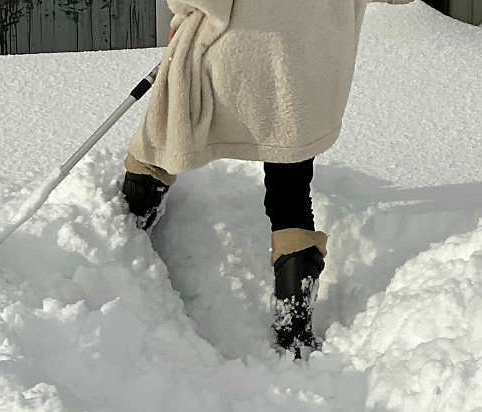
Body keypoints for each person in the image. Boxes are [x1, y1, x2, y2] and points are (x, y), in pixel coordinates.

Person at [121, 0, 414, 358]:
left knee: (163, 141)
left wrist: (183, 15)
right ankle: (294, 327)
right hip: (310, 62)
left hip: (234, 47)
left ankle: (122, 239)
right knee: (291, 190)